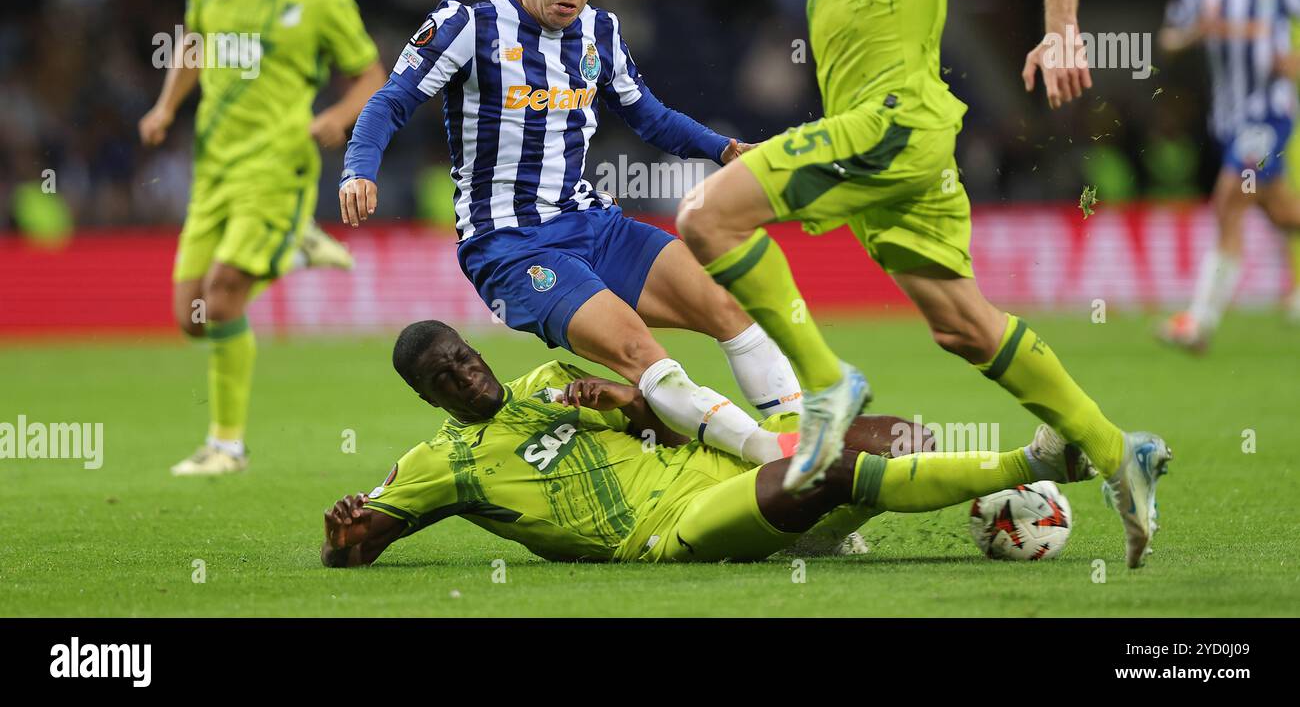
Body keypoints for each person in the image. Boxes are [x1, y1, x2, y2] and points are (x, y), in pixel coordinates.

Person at [676, 0, 1167, 568]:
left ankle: (826, 384)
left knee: (706, 216)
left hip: (892, 121)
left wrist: (1063, 27)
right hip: (891, 138)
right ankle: (1120, 453)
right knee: (963, 327)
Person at [338, 0, 808, 471]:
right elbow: (390, 101)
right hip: (510, 244)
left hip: (594, 224)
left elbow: (650, 116)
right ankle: (787, 468)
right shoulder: (468, 21)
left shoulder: (600, 33)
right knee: (642, 355)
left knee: (729, 309)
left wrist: (726, 150)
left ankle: (802, 443)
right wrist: (359, 167)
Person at [320, 321, 1093, 566]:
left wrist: (627, 401)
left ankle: (813, 535)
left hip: (718, 464)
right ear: (427, 397)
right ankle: (1034, 463)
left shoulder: (548, 379)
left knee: (902, 435)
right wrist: (343, 537)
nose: (463, 375)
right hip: (663, 529)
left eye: (462, 357)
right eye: (442, 377)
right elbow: (354, 548)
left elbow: (660, 420)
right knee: (818, 473)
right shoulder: (438, 465)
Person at [138, 0, 386, 475]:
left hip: (280, 168)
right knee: (190, 317)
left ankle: (227, 446)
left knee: (222, 301)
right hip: (214, 168)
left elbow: (371, 75)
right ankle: (294, 251)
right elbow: (193, 42)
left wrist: (340, 116)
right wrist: (166, 106)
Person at [1157, 0, 1300, 349]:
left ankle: (1198, 323)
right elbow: (1167, 39)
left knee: (1227, 199)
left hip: (1269, 113)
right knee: (1280, 211)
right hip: (1227, 120)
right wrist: (1194, 33)